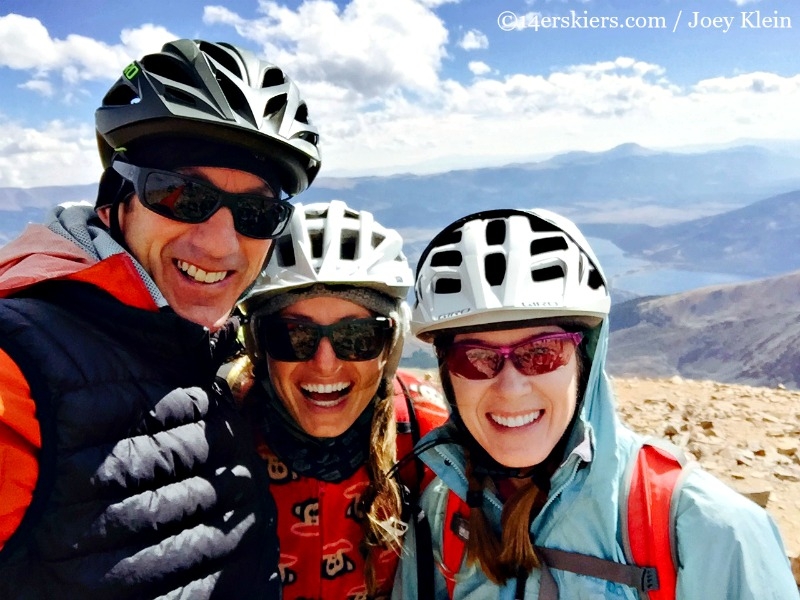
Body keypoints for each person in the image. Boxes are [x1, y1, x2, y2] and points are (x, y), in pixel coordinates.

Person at [0, 39, 320, 598]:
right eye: (181, 195)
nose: (220, 245)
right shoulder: (18, 367)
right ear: (116, 198)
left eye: (257, 213)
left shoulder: (190, 347)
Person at [392, 208, 799, 599]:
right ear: (449, 375)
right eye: (475, 358)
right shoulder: (443, 511)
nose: (511, 387)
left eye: (543, 352)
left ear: (585, 362)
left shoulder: (706, 530)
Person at [228, 199, 449, 600]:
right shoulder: (219, 430)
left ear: (390, 346)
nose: (325, 364)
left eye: (357, 338)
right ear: (261, 348)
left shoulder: (426, 433)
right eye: (293, 336)